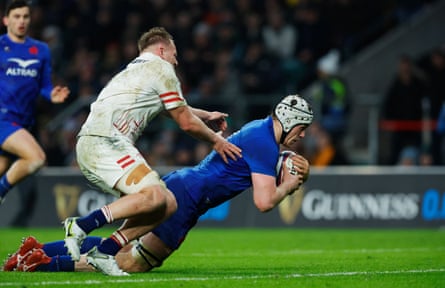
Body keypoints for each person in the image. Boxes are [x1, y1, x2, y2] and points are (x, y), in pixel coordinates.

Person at [3, 94, 313, 274]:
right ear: (291, 122)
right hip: (189, 197)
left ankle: (36, 250)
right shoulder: (265, 143)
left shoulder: (260, 129)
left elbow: (257, 163)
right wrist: (289, 184)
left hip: (185, 185)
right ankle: (40, 263)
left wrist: (284, 160)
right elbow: (264, 202)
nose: (303, 135)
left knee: (122, 245)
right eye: (302, 128)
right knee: (132, 262)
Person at [60, 27, 242, 276]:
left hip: (97, 144)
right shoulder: (161, 68)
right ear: (161, 49)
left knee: (167, 204)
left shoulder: (137, 71)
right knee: (156, 194)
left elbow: (172, 108)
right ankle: (81, 224)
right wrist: (217, 141)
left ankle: (106, 251)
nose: (176, 61)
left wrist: (207, 115)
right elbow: (185, 122)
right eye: (174, 54)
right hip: (105, 142)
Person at [0, 0, 70, 204]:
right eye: (16, 16)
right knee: (36, 158)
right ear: (6, 20)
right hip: (3, 119)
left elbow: (44, 85)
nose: (21, 21)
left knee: (4, 166)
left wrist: (52, 94)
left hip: (24, 123)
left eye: (25, 16)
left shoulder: (41, 50)